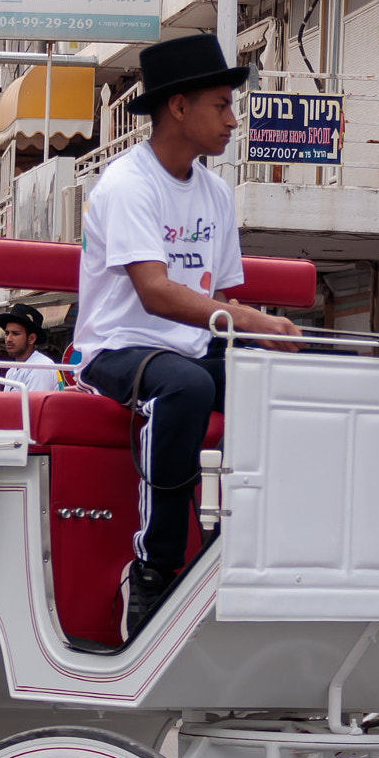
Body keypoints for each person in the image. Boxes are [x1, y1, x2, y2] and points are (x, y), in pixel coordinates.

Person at [70, 33, 302, 637]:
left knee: (281, 380)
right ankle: (152, 569)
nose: (233, 120)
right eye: (221, 105)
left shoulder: (216, 193)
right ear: (178, 108)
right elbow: (156, 292)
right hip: (114, 349)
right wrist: (254, 322)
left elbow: (218, 297)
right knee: (186, 388)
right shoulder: (127, 184)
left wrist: (257, 338)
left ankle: (255, 546)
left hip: (190, 348)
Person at [0, 303, 60, 393]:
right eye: (7, 333)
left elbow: (35, 406)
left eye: (15, 333)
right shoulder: (11, 371)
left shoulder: (40, 367)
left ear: (31, 338)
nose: (8, 339)